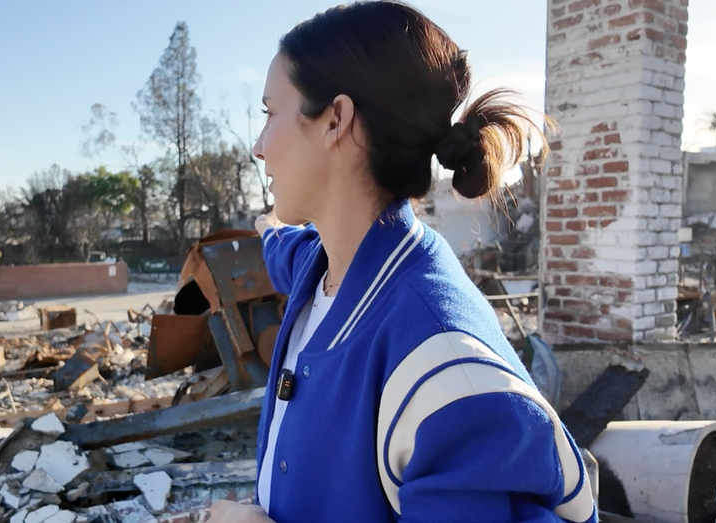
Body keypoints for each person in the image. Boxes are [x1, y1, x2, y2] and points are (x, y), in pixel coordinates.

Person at [210, 2, 597, 522]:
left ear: (335, 120)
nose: (259, 147)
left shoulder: (445, 374)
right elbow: (289, 252)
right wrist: (270, 230)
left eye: (269, 113)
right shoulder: (326, 267)